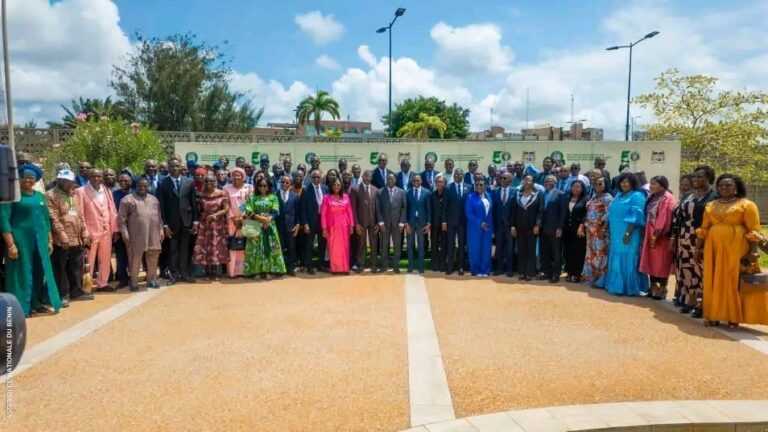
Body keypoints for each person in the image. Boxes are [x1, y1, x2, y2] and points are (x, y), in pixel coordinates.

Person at [695, 174, 766, 329]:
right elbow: (704, 228)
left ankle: (733, 316)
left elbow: (754, 230)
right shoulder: (711, 205)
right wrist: (697, 248)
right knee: (713, 279)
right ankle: (714, 315)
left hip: (737, 247)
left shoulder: (747, 204)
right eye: (721, 185)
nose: (724, 188)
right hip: (713, 247)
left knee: (732, 280)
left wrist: (753, 253)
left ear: (736, 187)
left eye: (728, 185)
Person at [1, 163, 62, 316]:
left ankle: (37, 303)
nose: (28, 180)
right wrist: (11, 245)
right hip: (20, 241)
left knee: (39, 271)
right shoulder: (12, 197)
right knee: (21, 272)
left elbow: (45, 220)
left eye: (32, 178)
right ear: (19, 179)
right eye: (25, 177)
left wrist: (49, 240)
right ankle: (21, 307)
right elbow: (4, 221)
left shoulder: (40, 196)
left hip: (39, 241)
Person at [671, 166, 717, 317]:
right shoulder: (688, 195)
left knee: (701, 269)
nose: (696, 180)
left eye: (700, 177)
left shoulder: (714, 197)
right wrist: (674, 237)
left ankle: (702, 303)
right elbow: (678, 217)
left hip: (702, 239)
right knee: (686, 269)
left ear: (709, 178)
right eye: (695, 177)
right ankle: (690, 301)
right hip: (684, 237)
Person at [47, 169, 93, 306]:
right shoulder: (51, 195)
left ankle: (76, 291)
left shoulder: (74, 195)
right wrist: (62, 235)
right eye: (65, 181)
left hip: (76, 238)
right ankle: (64, 294)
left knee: (76, 266)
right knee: (61, 268)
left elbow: (80, 216)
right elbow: (53, 217)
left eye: (70, 181)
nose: (69, 184)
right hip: (61, 240)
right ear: (59, 180)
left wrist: (85, 233)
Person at [74, 169, 119, 292]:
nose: (96, 178)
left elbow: (112, 210)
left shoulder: (106, 190)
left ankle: (103, 283)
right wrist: (84, 232)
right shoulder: (80, 191)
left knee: (105, 259)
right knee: (88, 260)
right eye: (94, 176)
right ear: (89, 177)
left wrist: (114, 229)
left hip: (106, 231)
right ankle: (86, 287)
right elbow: (80, 213)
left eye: (99, 176)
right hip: (90, 232)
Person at [605, 173, 648, 296]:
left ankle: (629, 287)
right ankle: (616, 285)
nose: (624, 184)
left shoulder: (637, 196)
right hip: (616, 233)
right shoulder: (618, 195)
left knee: (628, 258)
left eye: (627, 182)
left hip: (629, 233)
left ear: (633, 183)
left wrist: (628, 233)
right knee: (616, 256)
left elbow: (637, 217)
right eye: (622, 182)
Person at [157, 158, 198, 285]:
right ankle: (174, 275)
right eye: (172, 166)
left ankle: (184, 273)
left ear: (181, 167)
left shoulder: (189, 182)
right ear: (168, 168)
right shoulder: (162, 183)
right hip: (171, 223)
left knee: (185, 249)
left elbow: (193, 203)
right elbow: (161, 206)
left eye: (177, 166)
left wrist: (195, 222)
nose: (175, 168)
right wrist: (164, 224)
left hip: (186, 222)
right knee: (173, 249)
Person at [119, 178, 164, 291]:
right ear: (136, 186)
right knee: (135, 258)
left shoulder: (154, 199)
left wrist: (161, 229)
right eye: (140, 186)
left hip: (153, 233)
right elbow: (121, 220)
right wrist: (125, 233)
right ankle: (134, 282)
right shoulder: (127, 200)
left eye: (145, 186)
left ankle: (151, 280)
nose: (142, 188)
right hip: (136, 235)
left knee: (153, 256)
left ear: (148, 187)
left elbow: (159, 217)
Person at [640, 176, 677, 300]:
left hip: (661, 235)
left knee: (661, 262)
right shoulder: (653, 196)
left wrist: (656, 234)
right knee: (651, 260)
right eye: (650, 183)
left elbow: (664, 218)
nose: (651, 186)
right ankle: (653, 286)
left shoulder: (667, 198)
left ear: (663, 185)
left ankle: (663, 288)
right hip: (650, 231)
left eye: (654, 184)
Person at [244, 178, 286, 279]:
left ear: (268, 187)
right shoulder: (252, 197)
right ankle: (257, 271)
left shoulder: (273, 197)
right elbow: (248, 210)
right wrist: (261, 218)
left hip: (269, 226)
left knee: (270, 248)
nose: (262, 187)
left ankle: (268, 271)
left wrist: (267, 220)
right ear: (257, 186)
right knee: (256, 248)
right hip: (255, 225)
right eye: (260, 185)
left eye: (265, 185)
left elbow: (276, 211)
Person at [192, 175, 230, 280]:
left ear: (216, 181)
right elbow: (199, 209)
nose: (209, 183)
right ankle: (207, 272)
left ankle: (217, 272)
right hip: (205, 224)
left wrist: (215, 215)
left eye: (211, 181)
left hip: (217, 223)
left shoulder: (222, 193)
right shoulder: (201, 195)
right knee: (205, 247)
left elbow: (226, 209)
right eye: (207, 181)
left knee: (217, 247)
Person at [581, 176, 613, 288]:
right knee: (591, 254)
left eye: (600, 184)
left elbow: (609, 216)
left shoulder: (608, 198)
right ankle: (590, 277)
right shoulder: (594, 196)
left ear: (606, 185)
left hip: (600, 231)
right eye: (595, 184)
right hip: (590, 230)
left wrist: (604, 229)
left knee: (601, 254)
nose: (597, 186)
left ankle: (600, 280)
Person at [510, 175, 543, 281]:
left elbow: (540, 211)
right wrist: (513, 226)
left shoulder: (537, 195)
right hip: (520, 228)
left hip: (532, 228)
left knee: (531, 250)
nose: (526, 182)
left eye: (529, 180)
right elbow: (513, 212)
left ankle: (530, 273)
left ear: (533, 183)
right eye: (525, 180)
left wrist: (537, 225)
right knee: (521, 250)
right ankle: (521, 272)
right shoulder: (517, 195)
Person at [224, 167, 253, 278]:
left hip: (246, 220)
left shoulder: (249, 188)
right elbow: (225, 205)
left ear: (243, 176)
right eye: (234, 175)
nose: (236, 177)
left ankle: (244, 271)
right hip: (232, 221)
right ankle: (232, 272)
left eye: (238, 175)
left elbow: (251, 204)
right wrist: (233, 218)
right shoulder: (226, 188)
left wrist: (242, 218)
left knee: (245, 244)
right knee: (233, 245)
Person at [321, 179, 355, 274]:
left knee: (345, 248)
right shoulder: (326, 198)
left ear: (341, 186)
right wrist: (324, 228)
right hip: (332, 227)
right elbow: (323, 214)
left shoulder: (346, 197)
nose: (336, 186)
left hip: (344, 227)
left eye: (338, 185)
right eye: (334, 185)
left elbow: (350, 212)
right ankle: (335, 269)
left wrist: (352, 226)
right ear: (331, 186)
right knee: (333, 248)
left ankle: (345, 268)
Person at [298, 170, 328, 274]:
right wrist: (305, 223)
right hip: (310, 222)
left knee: (322, 244)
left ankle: (321, 264)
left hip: (322, 221)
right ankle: (309, 265)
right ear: (311, 178)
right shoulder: (306, 189)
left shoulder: (325, 188)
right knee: (309, 244)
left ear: (321, 178)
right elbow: (302, 208)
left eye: (318, 177)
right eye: (314, 177)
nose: (316, 179)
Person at [538, 175, 566, 283]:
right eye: (546, 181)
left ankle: (555, 273)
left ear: (555, 182)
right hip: (542, 228)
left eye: (550, 181)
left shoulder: (561, 194)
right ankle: (545, 272)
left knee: (556, 252)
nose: (547, 183)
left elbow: (563, 213)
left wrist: (560, 227)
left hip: (555, 229)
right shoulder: (541, 194)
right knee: (544, 251)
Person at [377, 173, 406, 273]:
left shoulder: (401, 192)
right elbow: (378, 208)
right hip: (384, 224)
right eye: (388, 178)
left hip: (397, 224)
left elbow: (403, 208)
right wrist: (380, 222)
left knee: (397, 246)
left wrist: (402, 222)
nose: (390, 180)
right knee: (384, 245)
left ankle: (396, 266)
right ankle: (384, 266)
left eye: (392, 178)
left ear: (395, 180)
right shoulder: (380, 192)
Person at [351, 170, 379, 273]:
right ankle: (361, 265)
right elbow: (353, 208)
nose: (367, 178)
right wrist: (356, 224)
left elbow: (378, 208)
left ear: (371, 178)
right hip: (361, 223)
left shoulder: (376, 190)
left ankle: (374, 265)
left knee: (373, 245)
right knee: (361, 245)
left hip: (373, 223)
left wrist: (378, 223)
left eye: (369, 176)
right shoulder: (355, 189)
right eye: (365, 176)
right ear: (362, 177)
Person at [465, 175, 493, 277]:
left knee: (486, 249)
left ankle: (485, 270)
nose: (478, 186)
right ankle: (476, 270)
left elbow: (490, 212)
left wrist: (490, 227)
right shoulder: (470, 197)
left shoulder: (489, 195)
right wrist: (480, 223)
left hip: (487, 228)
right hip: (475, 227)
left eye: (480, 184)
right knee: (475, 249)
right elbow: (468, 213)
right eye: (476, 185)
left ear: (484, 185)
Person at [444, 169, 469, 275]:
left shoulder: (469, 187)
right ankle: (450, 267)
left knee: (462, 244)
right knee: (450, 244)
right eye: (455, 174)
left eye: (459, 174)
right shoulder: (448, 187)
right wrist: (444, 221)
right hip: (451, 221)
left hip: (463, 221)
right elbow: (445, 206)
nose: (457, 176)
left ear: (463, 175)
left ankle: (461, 267)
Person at [563, 180, 588, 283]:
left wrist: (581, 225)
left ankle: (577, 274)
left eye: (578, 187)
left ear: (582, 188)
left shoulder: (586, 199)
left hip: (579, 230)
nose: (575, 189)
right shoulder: (567, 198)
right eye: (573, 186)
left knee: (578, 251)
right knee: (568, 251)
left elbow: (586, 214)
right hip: (567, 229)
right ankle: (569, 272)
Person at [405, 175, 431, 274]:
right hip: (410, 223)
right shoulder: (407, 192)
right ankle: (410, 267)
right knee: (410, 245)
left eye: (417, 180)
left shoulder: (427, 192)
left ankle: (421, 267)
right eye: (414, 180)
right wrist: (406, 223)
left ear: (421, 181)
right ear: (412, 182)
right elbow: (405, 209)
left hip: (422, 223)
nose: (415, 181)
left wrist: (428, 223)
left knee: (421, 245)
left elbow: (429, 209)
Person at [492, 172, 515, 277]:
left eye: (504, 178)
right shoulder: (495, 192)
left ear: (510, 180)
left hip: (510, 226)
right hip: (498, 225)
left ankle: (509, 269)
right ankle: (499, 268)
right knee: (499, 247)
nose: (502, 179)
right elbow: (493, 210)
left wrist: (514, 225)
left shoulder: (516, 192)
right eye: (501, 178)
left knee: (510, 248)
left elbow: (516, 210)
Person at [112, 173, 133, 289]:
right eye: (121, 181)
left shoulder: (136, 193)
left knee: (133, 255)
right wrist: (115, 230)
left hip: (135, 230)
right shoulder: (114, 195)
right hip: (119, 230)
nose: (123, 183)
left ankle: (133, 276)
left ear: (131, 181)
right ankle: (123, 278)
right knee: (120, 255)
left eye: (126, 181)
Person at [276, 175, 300, 276]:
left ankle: (291, 268)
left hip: (291, 226)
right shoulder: (274, 195)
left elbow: (298, 212)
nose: (284, 184)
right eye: (283, 182)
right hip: (278, 226)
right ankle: (280, 269)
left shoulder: (294, 195)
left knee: (291, 248)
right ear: (280, 183)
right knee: (279, 248)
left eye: (287, 182)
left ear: (290, 184)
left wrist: (298, 224)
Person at [429, 176, 447, 272]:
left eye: (441, 182)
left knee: (444, 244)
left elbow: (448, 210)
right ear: (436, 184)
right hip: (434, 225)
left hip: (444, 225)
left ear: (445, 183)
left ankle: (443, 265)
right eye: (438, 182)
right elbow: (430, 210)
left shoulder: (447, 194)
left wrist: (445, 221)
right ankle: (434, 265)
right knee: (434, 244)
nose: (439, 184)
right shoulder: (432, 195)